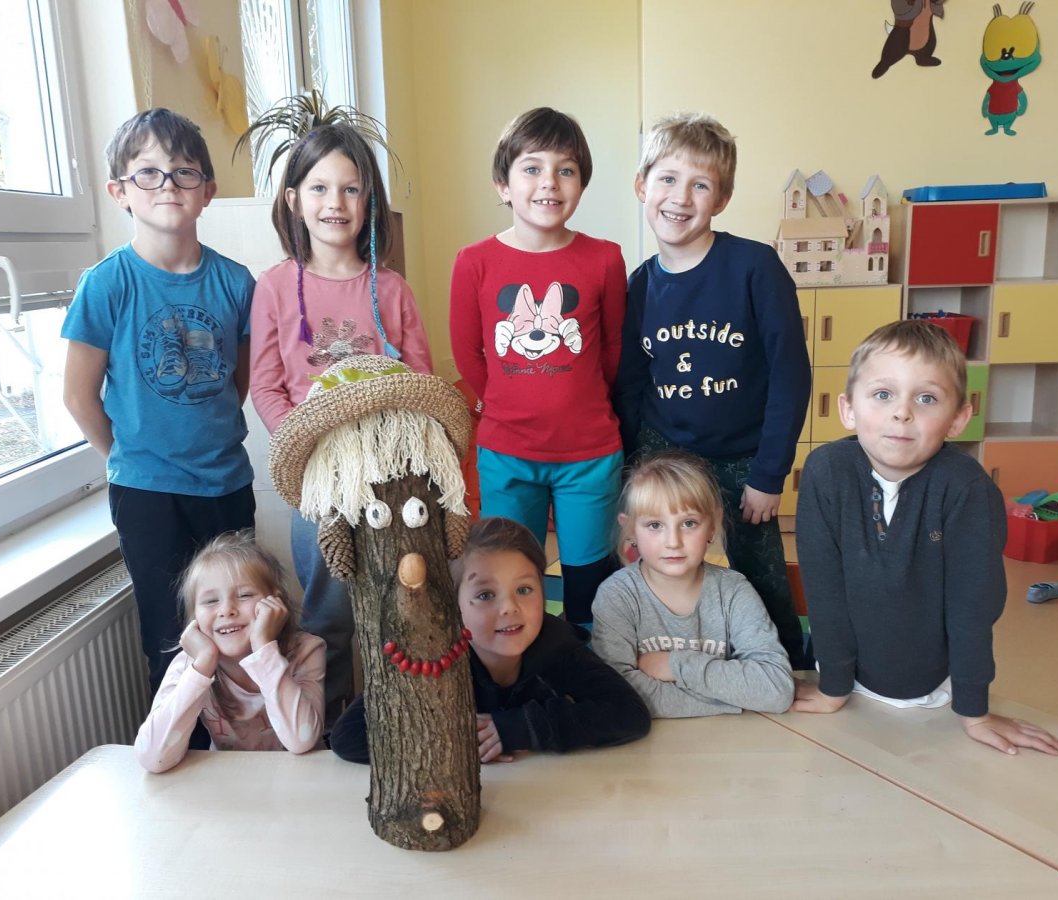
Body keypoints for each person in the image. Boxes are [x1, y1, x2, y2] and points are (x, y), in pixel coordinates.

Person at [793, 321, 1058, 756]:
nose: (902, 413)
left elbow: (972, 608)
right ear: (848, 409)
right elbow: (825, 590)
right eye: (883, 394)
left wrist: (975, 712)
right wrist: (833, 687)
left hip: (933, 692)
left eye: (926, 398)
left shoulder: (968, 490)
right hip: (842, 679)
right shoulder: (825, 471)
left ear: (958, 418)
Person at [62, 108, 257, 700]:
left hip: (226, 485)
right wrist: (130, 457)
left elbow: (236, 383)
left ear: (207, 192)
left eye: (184, 171)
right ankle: (179, 744)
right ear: (119, 191)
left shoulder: (237, 283)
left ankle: (242, 741)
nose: (168, 185)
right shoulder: (106, 284)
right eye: (148, 172)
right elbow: (78, 395)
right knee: (170, 640)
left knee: (238, 634)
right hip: (147, 494)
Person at [613, 111, 812, 669]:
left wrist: (769, 474)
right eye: (668, 179)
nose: (680, 197)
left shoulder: (754, 267)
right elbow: (631, 383)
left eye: (700, 185)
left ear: (720, 199)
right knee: (657, 560)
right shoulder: (639, 286)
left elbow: (790, 375)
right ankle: (657, 654)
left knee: (761, 571)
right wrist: (632, 467)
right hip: (666, 450)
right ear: (642, 186)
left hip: (743, 456)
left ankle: (787, 665)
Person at [248, 122, 432, 728]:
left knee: (398, 603)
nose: (336, 203)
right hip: (318, 485)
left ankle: (400, 724)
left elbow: (419, 382)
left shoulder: (392, 289)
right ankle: (325, 729)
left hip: (391, 479)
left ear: (368, 200)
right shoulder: (275, 287)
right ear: (294, 199)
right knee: (328, 616)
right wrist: (309, 454)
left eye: (351, 189)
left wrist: (395, 454)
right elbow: (266, 385)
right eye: (320, 188)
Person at [449, 107, 627, 627]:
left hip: (589, 455)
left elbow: (611, 350)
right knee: (509, 579)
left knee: (590, 584)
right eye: (532, 168)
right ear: (503, 184)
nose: (549, 182)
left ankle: (585, 663)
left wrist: (576, 399)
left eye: (565, 170)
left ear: (581, 184)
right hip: (507, 453)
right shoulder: (474, 261)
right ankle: (518, 665)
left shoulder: (605, 259)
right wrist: (507, 401)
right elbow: (469, 353)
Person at [329, 516, 651, 764]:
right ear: (452, 607)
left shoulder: (559, 648)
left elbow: (628, 714)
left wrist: (523, 728)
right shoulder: (431, 656)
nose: (510, 607)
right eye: (485, 595)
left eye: (524, 589)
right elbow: (349, 738)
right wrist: (460, 740)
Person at [593, 451, 793, 717]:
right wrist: (735, 700)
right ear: (630, 530)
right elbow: (616, 695)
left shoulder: (733, 591)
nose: (673, 542)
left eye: (689, 523)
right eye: (655, 525)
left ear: (712, 527)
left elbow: (776, 689)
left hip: (728, 738)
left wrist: (674, 664)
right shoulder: (616, 596)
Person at [135, 530, 325, 772]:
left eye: (244, 595)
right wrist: (203, 664)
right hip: (228, 782)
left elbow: (301, 740)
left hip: (301, 779)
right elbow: (152, 758)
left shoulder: (306, 651)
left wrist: (263, 647)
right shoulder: (190, 664)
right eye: (210, 601)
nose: (226, 610)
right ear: (195, 616)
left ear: (275, 604)